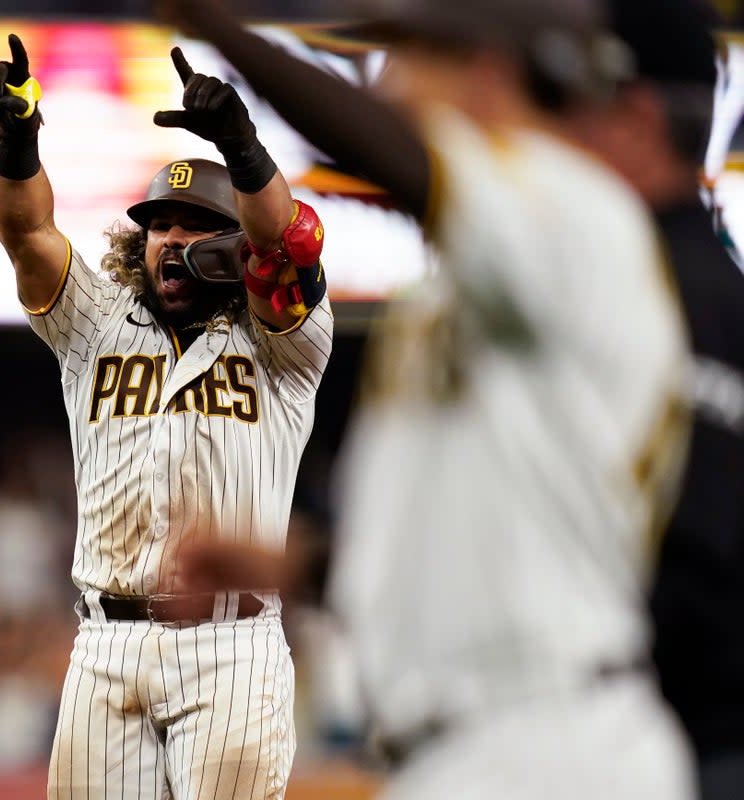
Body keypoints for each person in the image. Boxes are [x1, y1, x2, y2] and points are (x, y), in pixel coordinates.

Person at [164, 0, 700, 797]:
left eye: (409, 54)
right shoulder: (483, 281)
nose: (385, 82)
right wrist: (294, 565)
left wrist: (214, 23)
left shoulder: (578, 215)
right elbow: (478, 535)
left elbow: (399, 156)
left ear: (487, 71)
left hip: (548, 745)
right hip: (472, 748)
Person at [0, 34, 333, 799]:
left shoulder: (284, 343)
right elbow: (26, 234)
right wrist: (17, 139)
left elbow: (284, 241)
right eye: (161, 224)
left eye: (197, 224)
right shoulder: (94, 321)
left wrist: (240, 144)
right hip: (107, 643)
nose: (173, 238)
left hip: (229, 645)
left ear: (234, 245)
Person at [595, 4, 744, 799]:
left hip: (669, 742)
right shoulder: (717, 286)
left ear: (635, 113)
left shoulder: (651, 292)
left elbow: (682, 550)